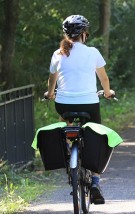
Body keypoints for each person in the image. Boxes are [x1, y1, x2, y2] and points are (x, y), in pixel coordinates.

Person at [44, 14, 115, 205]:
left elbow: (52, 79)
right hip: (89, 104)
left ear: (67, 34)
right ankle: (95, 181)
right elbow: (104, 79)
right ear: (84, 34)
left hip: (64, 103)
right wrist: (107, 92)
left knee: (65, 122)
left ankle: (69, 148)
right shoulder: (92, 52)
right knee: (96, 135)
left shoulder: (58, 53)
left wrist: (50, 94)